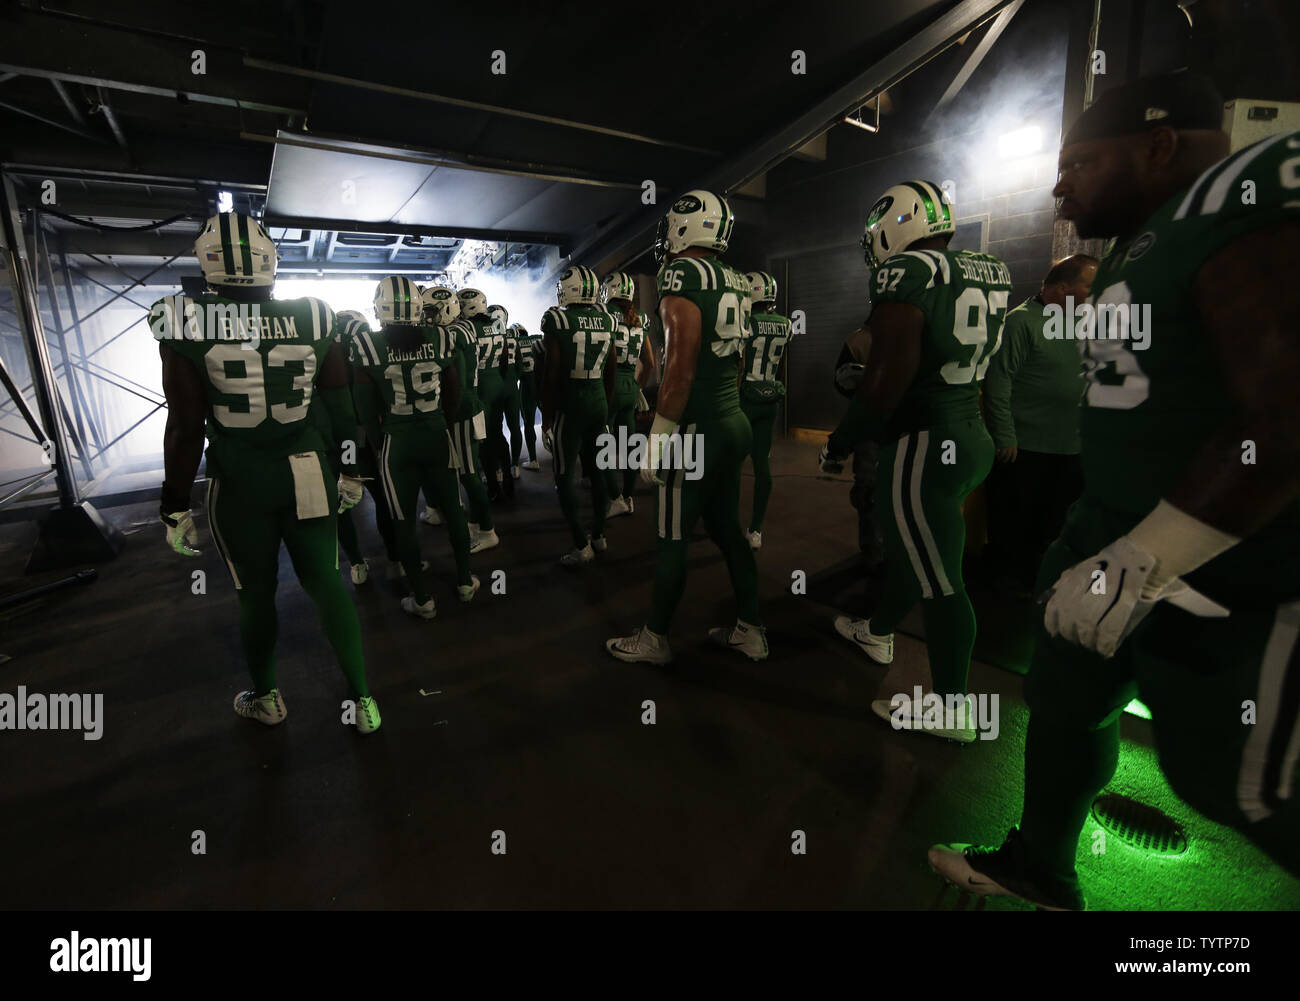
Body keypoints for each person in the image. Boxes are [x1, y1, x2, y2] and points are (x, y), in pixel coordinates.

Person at [930, 72, 1300, 907]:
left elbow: (1284, 418)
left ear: (1158, 146)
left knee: (1233, 771)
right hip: (1111, 522)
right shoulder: (1148, 234)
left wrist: (1147, 554)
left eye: (1078, 163)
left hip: (1228, 553)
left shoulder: (1243, 198)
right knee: (1063, 691)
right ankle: (1044, 868)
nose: (1060, 185)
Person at [153, 211, 379, 734]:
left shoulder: (183, 318)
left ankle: (267, 697)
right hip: (305, 468)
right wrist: (350, 469)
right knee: (325, 581)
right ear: (269, 261)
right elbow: (342, 407)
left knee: (254, 593)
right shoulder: (316, 315)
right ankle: (364, 701)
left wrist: (174, 502)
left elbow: (186, 425)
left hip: (240, 477)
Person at [820, 178, 1011, 742]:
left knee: (943, 580)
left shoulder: (906, 273)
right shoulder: (986, 267)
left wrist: (842, 439)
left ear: (890, 227)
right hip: (969, 433)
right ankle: (877, 629)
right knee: (921, 551)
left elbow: (885, 382)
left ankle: (953, 709)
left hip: (925, 441)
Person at [606, 190, 766, 663]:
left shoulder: (681, 274)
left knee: (672, 535)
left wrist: (657, 441)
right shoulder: (736, 278)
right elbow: (732, 362)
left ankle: (655, 638)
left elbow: (678, 369)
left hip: (694, 431)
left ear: (683, 227)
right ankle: (752, 629)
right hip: (731, 420)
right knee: (726, 529)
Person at [347, 278, 477, 619]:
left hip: (396, 442)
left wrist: (380, 442)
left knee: (402, 520)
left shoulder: (366, 344)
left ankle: (422, 599)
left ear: (380, 308)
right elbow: (454, 391)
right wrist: (440, 424)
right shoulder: (442, 337)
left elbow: (365, 407)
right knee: (453, 510)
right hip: (436, 435)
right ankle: (465, 582)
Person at [982, 255, 1098, 595]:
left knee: (1057, 524)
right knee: (1015, 523)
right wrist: (1004, 435)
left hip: (1071, 446)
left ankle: (1042, 581)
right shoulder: (1020, 323)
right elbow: (998, 382)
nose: (1097, 292)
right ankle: (1005, 588)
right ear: (1063, 290)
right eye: (1090, 286)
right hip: (1024, 448)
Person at [540, 265, 617, 565]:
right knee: (598, 473)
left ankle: (580, 543)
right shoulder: (607, 319)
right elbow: (610, 369)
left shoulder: (557, 319)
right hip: (598, 402)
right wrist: (604, 407)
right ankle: (599, 534)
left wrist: (546, 417)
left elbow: (552, 373)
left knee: (564, 476)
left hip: (570, 407)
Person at [427, 287, 498, 553]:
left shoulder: (453, 334)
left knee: (469, 475)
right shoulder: (463, 329)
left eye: (431, 311)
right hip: (469, 405)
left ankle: (488, 529)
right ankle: (476, 521)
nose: (427, 317)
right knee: (469, 472)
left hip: (462, 410)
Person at [739, 270, 790, 550]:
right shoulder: (785, 324)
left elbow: (740, 364)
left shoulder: (747, 322)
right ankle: (756, 529)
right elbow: (780, 364)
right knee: (762, 465)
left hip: (746, 399)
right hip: (769, 399)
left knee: (730, 463)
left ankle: (724, 521)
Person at [600, 271, 655, 519]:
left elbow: (605, 358)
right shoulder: (639, 318)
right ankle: (629, 496)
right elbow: (650, 363)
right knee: (630, 445)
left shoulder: (604, 315)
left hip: (608, 385)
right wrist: (638, 388)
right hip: (630, 386)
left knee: (603, 444)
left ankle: (615, 498)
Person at [833, 320, 885, 570]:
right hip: (895, 425)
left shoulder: (858, 340)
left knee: (870, 488)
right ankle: (876, 552)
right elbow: (841, 379)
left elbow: (840, 381)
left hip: (872, 426)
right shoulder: (860, 340)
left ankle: (875, 552)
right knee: (871, 488)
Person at [494, 306, 525, 483]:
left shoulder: (488, 335)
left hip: (496, 387)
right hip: (512, 387)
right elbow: (520, 361)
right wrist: (515, 378)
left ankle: (499, 469)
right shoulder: (512, 335)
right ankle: (515, 466)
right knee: (515, 427)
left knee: (496, 430)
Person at [513, 322, 542, 470]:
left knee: (528, 424)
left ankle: (533, 460)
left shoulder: (514, 342)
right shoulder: (537, 338)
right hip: (542, 382)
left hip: (526, 385)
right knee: (555, 420)